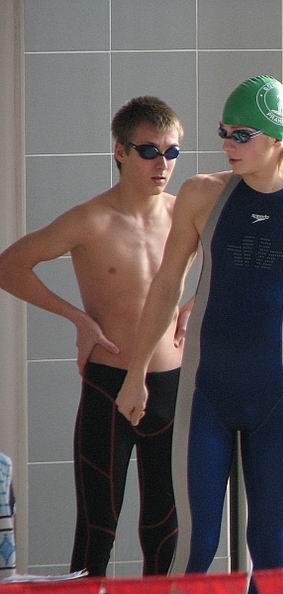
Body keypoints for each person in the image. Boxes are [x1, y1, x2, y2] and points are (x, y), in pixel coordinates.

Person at [115, 75, 283, 575]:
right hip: (206, 396)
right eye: (224, 132)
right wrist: (136, 373)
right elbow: (167, 286)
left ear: (277, 136)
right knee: (196, 546)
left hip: (275, 399)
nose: (228, 144)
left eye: (241, 135)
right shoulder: (202, 195)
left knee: (271, 548)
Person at [0, 96, 187, 576]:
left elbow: (236, 263)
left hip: (171, 387)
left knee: (164, 528)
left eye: (172, 152)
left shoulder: (184, 215)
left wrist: (193, 308)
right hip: (109, 383)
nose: (162, 164)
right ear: (121, 151)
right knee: (97, 528)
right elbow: (10, 266)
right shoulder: (90, 219)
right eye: (149, 151)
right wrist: (79, 320)